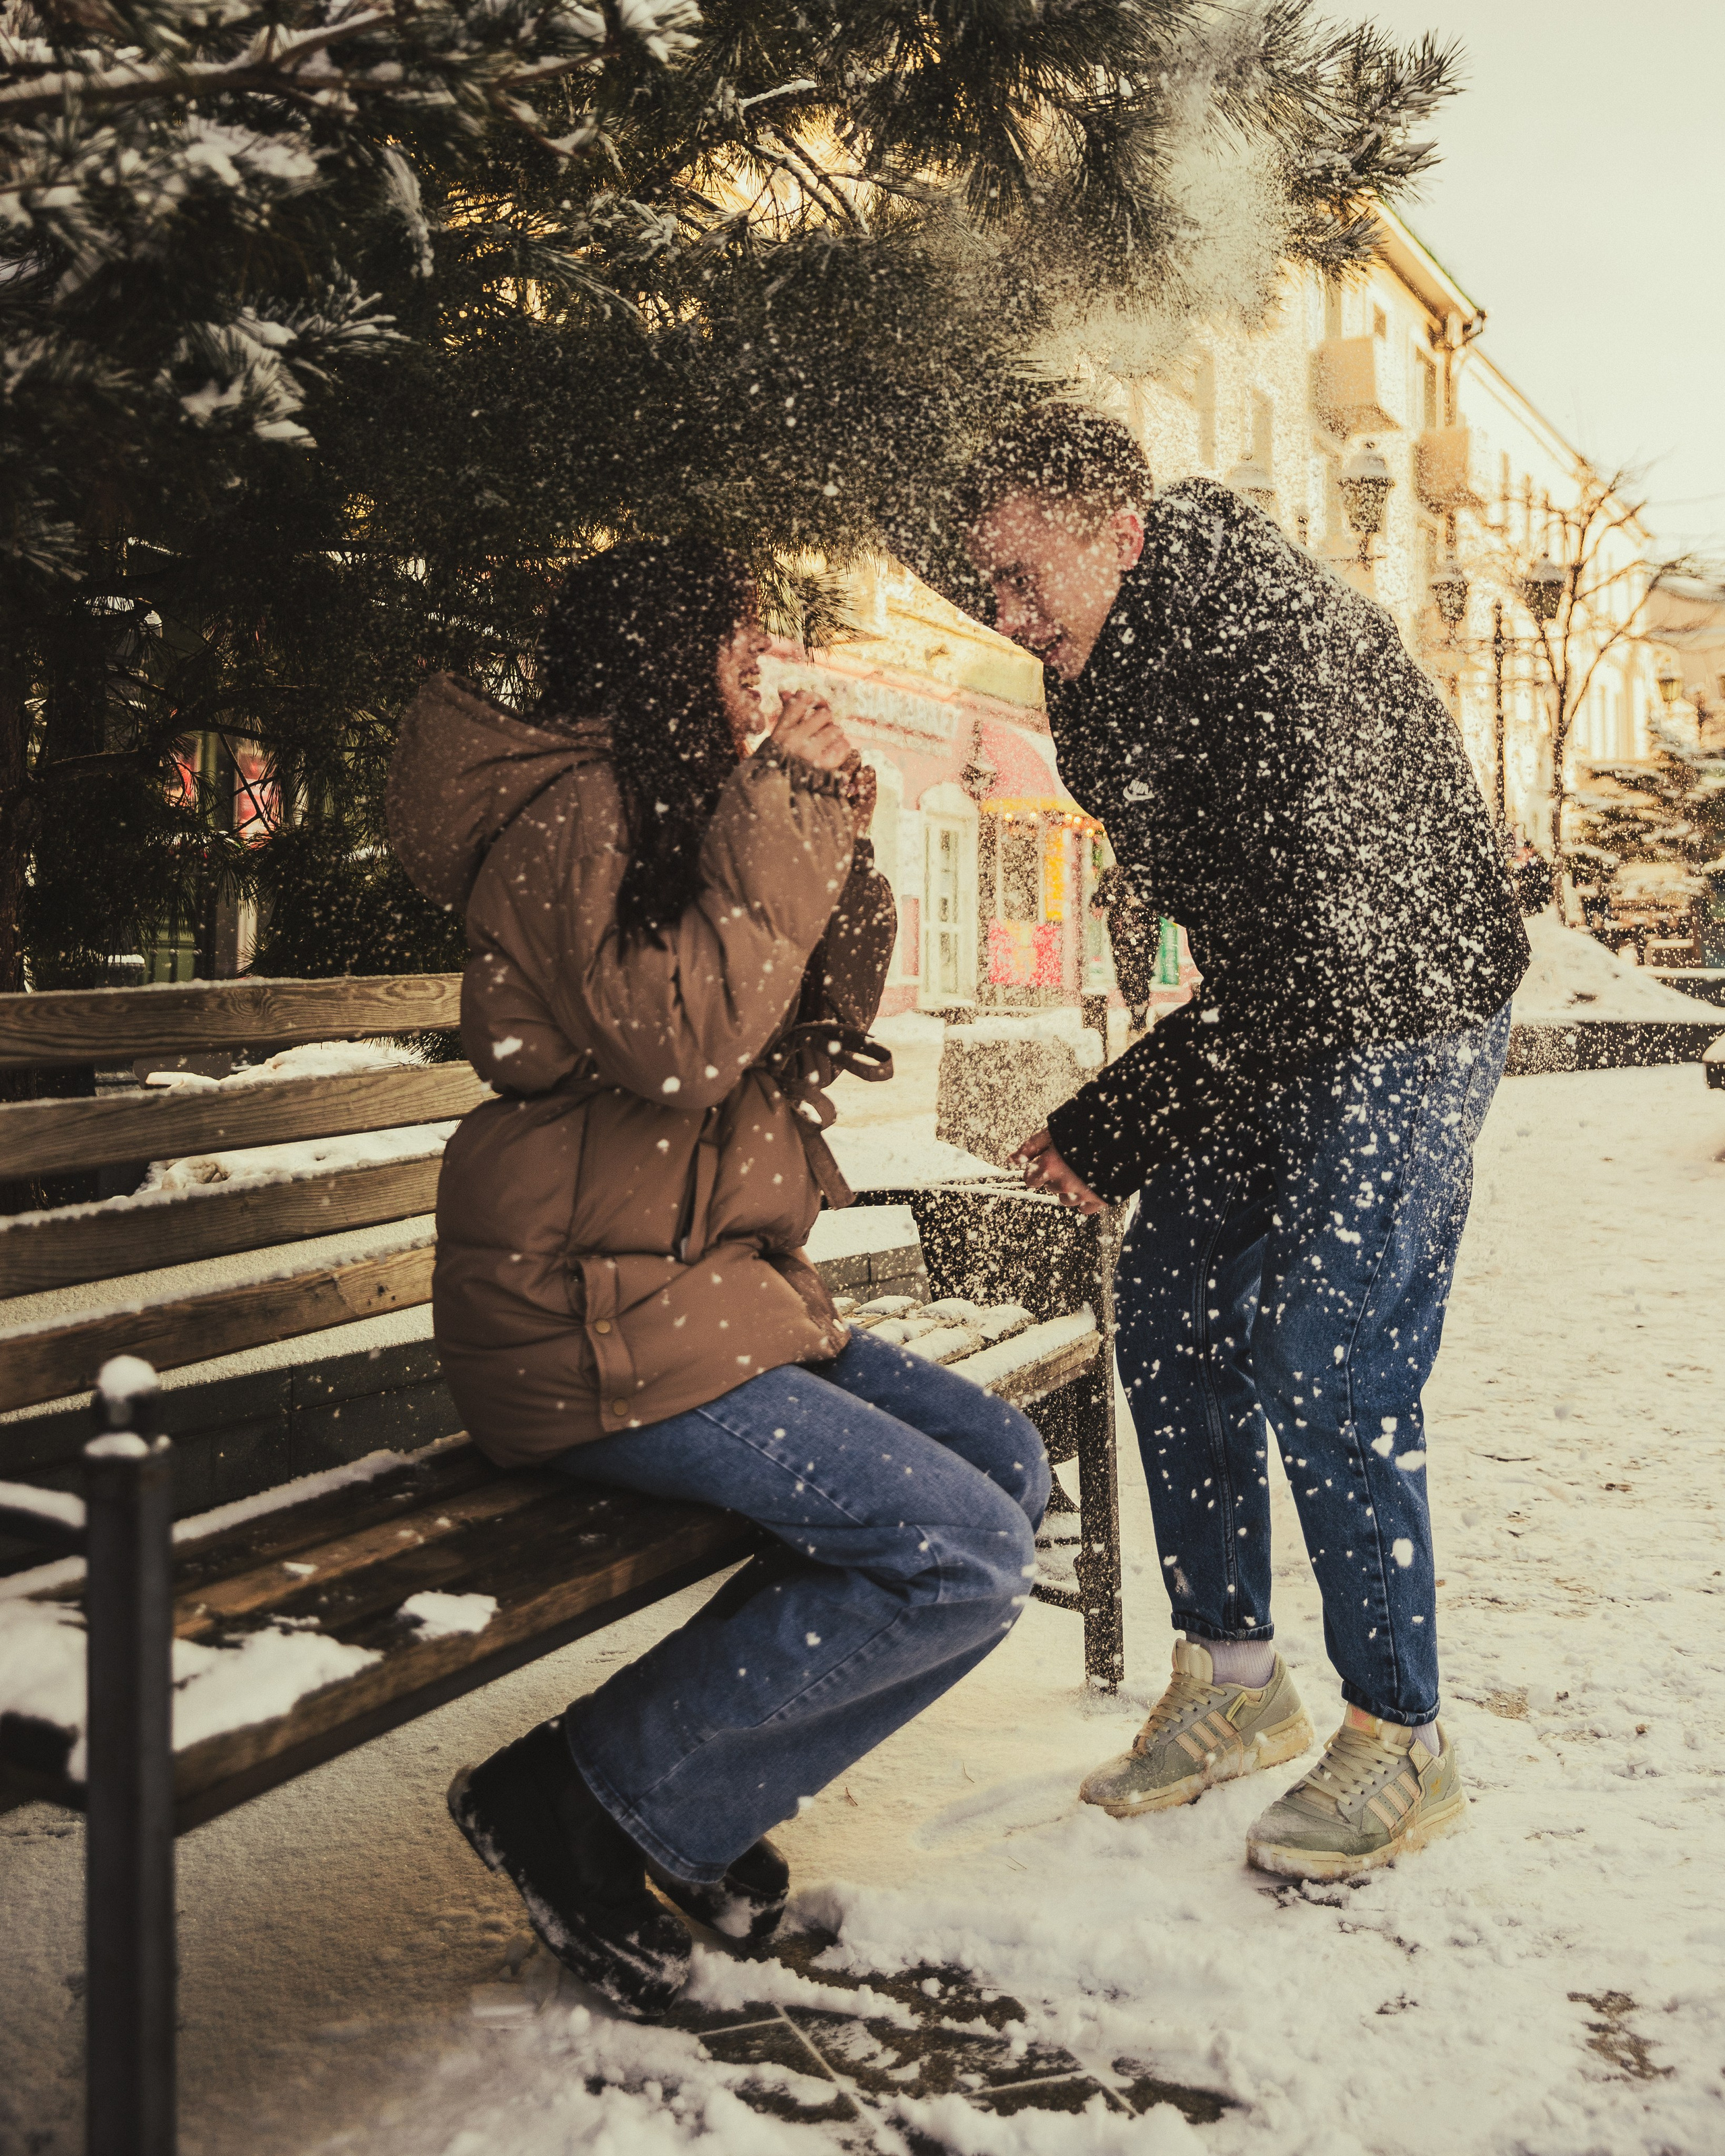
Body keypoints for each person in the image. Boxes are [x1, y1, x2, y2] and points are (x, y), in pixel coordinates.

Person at [385, 540, 1048, 2017]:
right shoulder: (575, 814)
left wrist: (823, 822)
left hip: (694, 1287)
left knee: (1006, 1469)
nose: (759, 670)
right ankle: (577, 1797)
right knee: (960, 1551)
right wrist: (781, 817)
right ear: (661, 655)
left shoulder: (675, 801)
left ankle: (685, 1792)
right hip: (578, 1316)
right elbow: (681, 1046)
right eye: (734, 642)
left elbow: (793, 1024)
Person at [958, 405, 1528, 1882]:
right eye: (990, 581)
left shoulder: (1279, 658)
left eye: (1025, 577)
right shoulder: (1102, 646)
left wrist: (1122, 1115)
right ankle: (1233, 1680)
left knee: (1329, 1353)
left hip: (1406, 1004)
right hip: (1283, 1001)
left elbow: (1323, 957)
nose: (1007, 614)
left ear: (1121, 536)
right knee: (1168, 1305)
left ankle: (1401, 1734)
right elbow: (1214, 880)